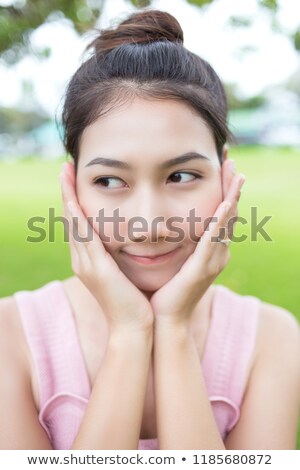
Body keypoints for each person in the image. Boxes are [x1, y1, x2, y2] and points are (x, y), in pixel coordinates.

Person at [0, 9, 299, 451]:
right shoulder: (12, 337)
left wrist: (172, 328)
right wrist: (129, 333)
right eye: (110, 181)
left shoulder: (271, 339)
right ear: (72, 186)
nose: (149, 224)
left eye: (180, 176)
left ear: (226, 178)